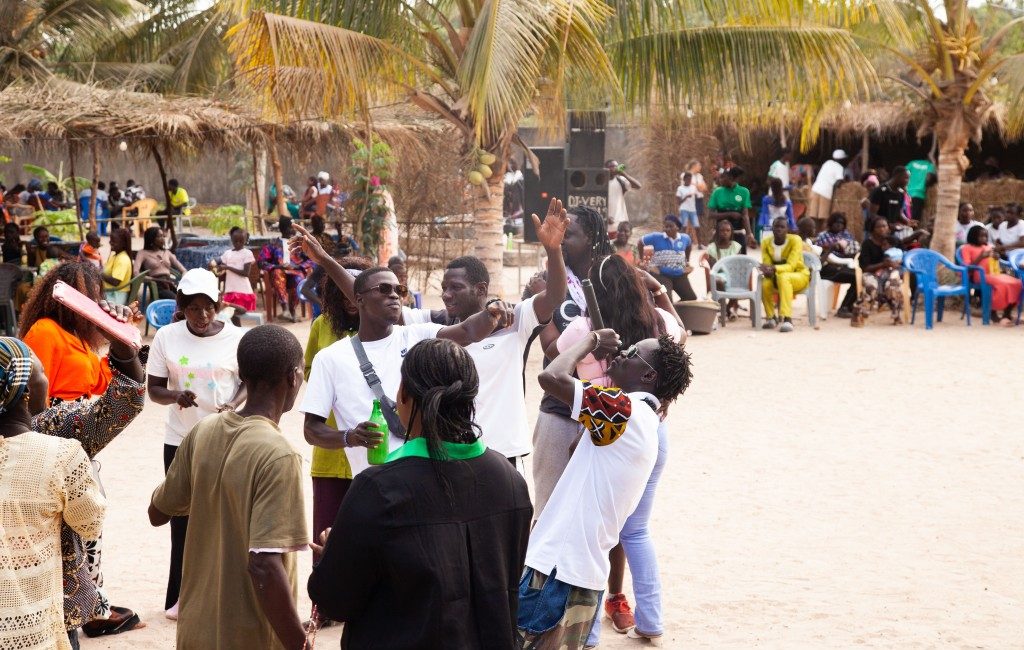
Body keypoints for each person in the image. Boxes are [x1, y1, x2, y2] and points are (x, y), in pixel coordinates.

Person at [309, 338, 533, 648]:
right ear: (470, 399)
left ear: (403, 396)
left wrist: (333, 556)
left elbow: (335, 601)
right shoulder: (509, 480)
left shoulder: (378, 489)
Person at [297, 224, 516, 479]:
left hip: (424, 480)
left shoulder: (417, 335)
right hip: (373, 484)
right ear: (358, 301)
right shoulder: (331, 358)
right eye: (384, 290)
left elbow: (468, 332)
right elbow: (311, 430)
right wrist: (350, 437)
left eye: (398, 290)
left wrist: (492, 313)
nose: (395, 296)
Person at [521, 330, 692, 650]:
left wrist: (590, 341)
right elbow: (576, 451)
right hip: (586, 577)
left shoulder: (622, 411)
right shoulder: (645, 423)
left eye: (632, 353)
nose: (622, 353)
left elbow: (550, 376)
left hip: (556, 571)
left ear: (648, 375)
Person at [150, 325, 308, 650]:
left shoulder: (204, 431)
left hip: (195, 631)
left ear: (242, 376)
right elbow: (264, 564)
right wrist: (300, 644)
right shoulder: (279, 454)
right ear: (294, 377)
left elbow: (158, 512)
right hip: (249, 637)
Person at [553, 254, 684, 647]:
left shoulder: (586, 327)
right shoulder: (658, 326)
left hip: (604, 427)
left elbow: (553, 356)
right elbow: (681, 343)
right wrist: (658, 290)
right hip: (653, 430)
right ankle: (652, 620)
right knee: (637, 531)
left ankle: (589, 630)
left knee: (598, 532)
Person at [435, 199, 569, 467]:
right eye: (444, 287)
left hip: (503, 454)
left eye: (456, 287)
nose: (446, 294)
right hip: (452, 454)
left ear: (481, 290)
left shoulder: (513, 321)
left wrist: (553, 250)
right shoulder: (438, 329)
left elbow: (554, 295)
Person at [147, 268, 247, 620]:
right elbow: (154, 389)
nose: (202, 316)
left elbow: (248, 383)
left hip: (224, 437)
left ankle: (222, 598)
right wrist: (176, 396)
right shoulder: (167, 337)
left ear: (218, 305)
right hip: (181, 440)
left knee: (224, 519)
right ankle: (179, 599)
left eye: (208, 307)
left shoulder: (236, 338)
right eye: (193, 308)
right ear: (182, 307)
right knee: (181, 519)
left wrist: (232, 405)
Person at [0, 338, 106, 650]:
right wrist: (92, 474)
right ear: (26, 391)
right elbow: (90, 523)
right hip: (32, 629)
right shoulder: (61, 456)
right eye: (42, 370)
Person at [531, 206, 614, 521]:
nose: (562, 239)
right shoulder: (547, 284)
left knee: (601, 517)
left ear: (591, 237)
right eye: (560, 234)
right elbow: (552, 352)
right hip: (560, 408)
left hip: (606, 409)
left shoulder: (611, 278)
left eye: (571, 234)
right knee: (548, 509)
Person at [303, 256, 370, 573]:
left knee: (368, 532)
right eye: (342, 292)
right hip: (330, 448)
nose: (350, 300)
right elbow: (308, 371)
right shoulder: (320, 326)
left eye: (356, 291)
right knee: (325, 529)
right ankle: (324, 605)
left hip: (374, 449)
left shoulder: (383, 330)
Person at [20, 262, 115, 401]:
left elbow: (102, 382)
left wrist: (120, 336)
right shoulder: (44, 331)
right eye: (90, 296)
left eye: (98, 296)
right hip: (53, 421)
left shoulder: (76, 334)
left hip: (78, 419)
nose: (97, 302)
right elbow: (34, 394)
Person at [961, 225, 1022, 325]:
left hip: (994, 273)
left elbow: (996, 262)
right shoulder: (967, 248)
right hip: (979, 275)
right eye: (981, 236)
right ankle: (992, 312)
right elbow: (967, 267)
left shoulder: (988, 247)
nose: (984, 239)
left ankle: (1007, 313)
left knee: (1018, 283)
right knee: (1002, 284)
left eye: (985, 236)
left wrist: (997, 257)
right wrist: (980, 257)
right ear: (973, 236)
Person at [760, 217, 810, 332]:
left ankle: (787, 319)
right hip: (776, 276)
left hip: (799, 275)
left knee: (784, 277)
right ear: (772, 228)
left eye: (782, 227)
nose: (779, 229)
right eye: (776, 226)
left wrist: (773, 268)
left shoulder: (795, 240)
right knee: (765, 283)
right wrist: (767, 270)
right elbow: (767, 263)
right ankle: (771, 317)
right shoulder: (766, 242)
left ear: (787, 229)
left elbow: (791, 265)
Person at [854, 216, 904, 326]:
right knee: (872, 286)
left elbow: (902, 257)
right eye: (878, 227)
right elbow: (865, 267)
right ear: (873, 229)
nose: (882, 229)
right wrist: (883, 264)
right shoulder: (867, 244)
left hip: (889, 272)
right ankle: (859, 314)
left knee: (893, 284)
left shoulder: (894, 241)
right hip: (871, 273)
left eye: (884, 226)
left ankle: (896, 314)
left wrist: (895, 264)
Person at [260, 218, 312, 321]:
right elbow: (261, 262)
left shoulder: (298, 244)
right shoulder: (273, 244)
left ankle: (292, 311)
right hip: (279, 272)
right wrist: (277, 266)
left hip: (295, 271)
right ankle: (285, 309)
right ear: (285, 229)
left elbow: (311, 259)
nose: (294, 231)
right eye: (291, 228)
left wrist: (298, 267)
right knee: (277, 273)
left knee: (300, 279)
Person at [640, 214, 697, 303]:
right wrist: (641, 260)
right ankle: (671, 312)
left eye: (671, 226)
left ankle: (677, 310)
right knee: (667, 300)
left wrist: (687, 261)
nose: (667, 229)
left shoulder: (685, 238)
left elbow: (689, 246)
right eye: (666, 226)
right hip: (662, 274)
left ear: (677, 227)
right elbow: (640, 242)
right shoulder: (656, 237)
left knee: (691, 298)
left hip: (679, 274)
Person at [814, 212, 861, 318]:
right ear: (831, 223)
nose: (839, 225)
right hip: (827, 268)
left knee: (859, 276)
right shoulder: (823, 236)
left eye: (841, 223)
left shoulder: (846, 235)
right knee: (855, 277)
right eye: (836, 222)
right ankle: (843, 308)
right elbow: (820, 258)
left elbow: (853, 251)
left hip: (844, 264)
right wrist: (831, 248)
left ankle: (849, 306)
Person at [708, 166, 755, 252]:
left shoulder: (744, 192)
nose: (720, 180)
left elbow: (745, 215)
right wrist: (730, 214)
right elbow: (711, 215)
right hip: (721, 232)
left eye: (723, 177)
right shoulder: (717, 192)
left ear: (732, 178)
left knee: (740, 258)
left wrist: (749, 234)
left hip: (738, 231)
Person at [134, 227, 186, 299]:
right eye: (159, 236)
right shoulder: (142, 253)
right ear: (151, 238)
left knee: (187, 298)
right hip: (156, 285)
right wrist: (148, 278)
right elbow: (136, 273)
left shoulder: (167, 252)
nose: (163, 239)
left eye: (163, 236)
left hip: (170, 282)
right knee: (176, 299)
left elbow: (183, 270)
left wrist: (183, 278)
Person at [706, 219, 743, 315]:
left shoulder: (736, 246)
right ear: (718, 232)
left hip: (733, 275)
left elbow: (737, 265)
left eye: (728, 230)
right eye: (722, 230)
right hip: (719, 275)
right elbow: (714, 267)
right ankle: (723, 308)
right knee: (719, 280)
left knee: (738, 282)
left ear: (731, 232)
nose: (725, 233)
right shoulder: (712, 248)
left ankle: (726, 309)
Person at [217, 227, 257, 312]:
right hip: (230, 289)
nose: (238, 243)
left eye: (241, 241)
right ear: (231, 240)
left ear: (245, 241)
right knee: (232, 315)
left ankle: (227, 305)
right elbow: (221, 268)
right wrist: (217, 268)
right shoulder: (227, 253)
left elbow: (246, 273)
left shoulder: (247, 253)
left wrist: (227, 267)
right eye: (235, 241)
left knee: (239, 311)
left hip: (243, 290)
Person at [808, 149, 848, 228]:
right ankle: (819, 233)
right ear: (841, 159)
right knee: (823, 217)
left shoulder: (827, 163)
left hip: (815, 189)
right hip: (826, 192)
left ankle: (812, 232)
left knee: (813, 215)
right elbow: (838, 181)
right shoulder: (839, 167)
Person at [605, 159, 642, 231]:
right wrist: (605, 217)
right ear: (605, 168)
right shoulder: (600, 182)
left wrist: (624, 174)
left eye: (616, 166)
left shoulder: (620, 180)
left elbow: (638, 186)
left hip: (619, 224)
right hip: (605, 225)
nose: (615, 168)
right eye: (611, 166)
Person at [101, 228, 133, 305]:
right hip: (110, 292)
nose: (110, 242)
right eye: (110, 240)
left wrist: (99, 273)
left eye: (113, 241)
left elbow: (115, 282)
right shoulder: (115, 255)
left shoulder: (123, 259)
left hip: (115, 296)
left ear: (123, 244)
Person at [905, 158, 936, 223]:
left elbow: (903, 173)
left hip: (907, 193)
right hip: (919, 194)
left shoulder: (912, 162)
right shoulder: (930, 165)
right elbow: (929, 178)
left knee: (905, 216)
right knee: (914, 219)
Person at [675, 171, 700, 245]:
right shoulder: (680, 188)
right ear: (684, 179)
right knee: (684, 226)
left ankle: (699, 244)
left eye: (690, 179)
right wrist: (686, 197)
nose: (689, 181)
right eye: (688, 179)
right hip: (684, 209)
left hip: (692, 209)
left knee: (697, 227)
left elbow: (697, 196)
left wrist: (695, 196)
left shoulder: (693, 187)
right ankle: (681, 243)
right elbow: (678, 202)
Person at [685, 160, 709, 224]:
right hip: (691, 199)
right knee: (690, 219)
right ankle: (689, 233)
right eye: (699, 165)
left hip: (699, 199)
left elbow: (705, 188)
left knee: (697, 219)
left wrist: (696, 186)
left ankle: (695, 233)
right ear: (694, 166)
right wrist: (698, 186)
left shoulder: (699, 176)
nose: (700, 167)